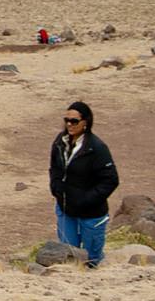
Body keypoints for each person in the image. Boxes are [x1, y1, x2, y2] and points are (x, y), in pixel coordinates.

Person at [48, 100, 119, 267]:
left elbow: (111, 180)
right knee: (69, 256)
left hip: (92, 214)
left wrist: (87, 199)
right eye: (66, 120)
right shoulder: (60, 142)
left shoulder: (97, 148)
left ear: (85, 122)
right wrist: (56, 188)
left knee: (91, 260)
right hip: (66, 210)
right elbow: (55, 168)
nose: (69, 124)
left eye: (74, 121)